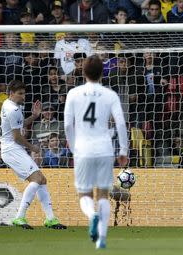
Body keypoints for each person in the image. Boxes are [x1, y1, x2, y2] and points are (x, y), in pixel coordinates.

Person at [64, 55, 128, 249]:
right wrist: (123, 149)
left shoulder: (73, 93)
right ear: (102, 73)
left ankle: (92, 215)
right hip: (104, 148)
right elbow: (121, 123)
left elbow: (68, 125)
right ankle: (101, 238)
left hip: (83, 148)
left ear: (83, 72)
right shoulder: (110, 95)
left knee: (84, 194)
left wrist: (74, 146)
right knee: (103, 194)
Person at [0, 80, 66, 230]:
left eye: (24, 93)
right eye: (20, 94)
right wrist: (32, 147)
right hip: (11, 149)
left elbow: (20, 124)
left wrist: (34, 116)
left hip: (12, 148)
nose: (23, 96)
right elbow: (17, 136)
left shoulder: (8, 104)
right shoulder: (13, 110)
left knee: (42, 180)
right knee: (36, 179)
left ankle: (50, 219)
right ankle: (19, 217)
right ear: (11, 93)